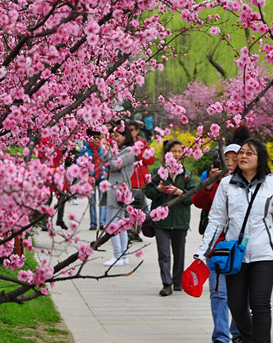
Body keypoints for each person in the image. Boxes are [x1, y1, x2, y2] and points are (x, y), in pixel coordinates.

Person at [197, 138, 273, 343]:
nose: (243, 156)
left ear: (260, 158)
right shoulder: (226, 184)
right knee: (236, 305)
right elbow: (216, 219)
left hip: (263, 254)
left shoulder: (272, 184)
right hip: (234, 255)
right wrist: (203, 251)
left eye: (249, 153)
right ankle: (249, 337)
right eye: (242, 152)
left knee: (260, 305)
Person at [193, 142, 243, 343]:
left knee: (242, 295)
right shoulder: (215, 178)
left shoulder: (249, 180)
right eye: (226, 158)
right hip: (217, 244)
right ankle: (221, 336)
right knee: (219, 292)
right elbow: (199, 202)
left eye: (234, 158)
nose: (230, 163)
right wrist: (212, 182)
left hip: (240, 245)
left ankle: (238, 331)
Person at [144, 140, 197, 296]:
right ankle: (166, 283)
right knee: (164, 253)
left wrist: (179, 193)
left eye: (180, 151)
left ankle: (177, 281)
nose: (177, 154)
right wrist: (159, 190)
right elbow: (148, 191)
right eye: (173, 151)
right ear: (167, 154)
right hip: (161, 221)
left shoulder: (187, 175)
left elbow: (192, 198)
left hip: (180, 221)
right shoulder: (158, 172)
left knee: (179, 253)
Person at [101, 124, 136, 267]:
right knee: (120, 224)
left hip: (119, 191)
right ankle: (123, 255)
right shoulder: (121, 150)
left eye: (117, 136)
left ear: (125, 136)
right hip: (117, 190)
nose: (114, 139)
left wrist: (107, 150)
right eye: (113, 136)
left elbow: (114, 165)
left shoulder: (129, 151)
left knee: (112, 224)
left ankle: (117, 256)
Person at [77, 129, 106, 231]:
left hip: (102, 177)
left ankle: (103, 223)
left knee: (102, 201)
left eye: (98, 138)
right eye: (94, 138)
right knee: (92, 202)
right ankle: (93, 223)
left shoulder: (102, 149)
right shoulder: (85, 149)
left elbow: (107, 161)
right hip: (90, 178)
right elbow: (79, 163)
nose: (96, 140)